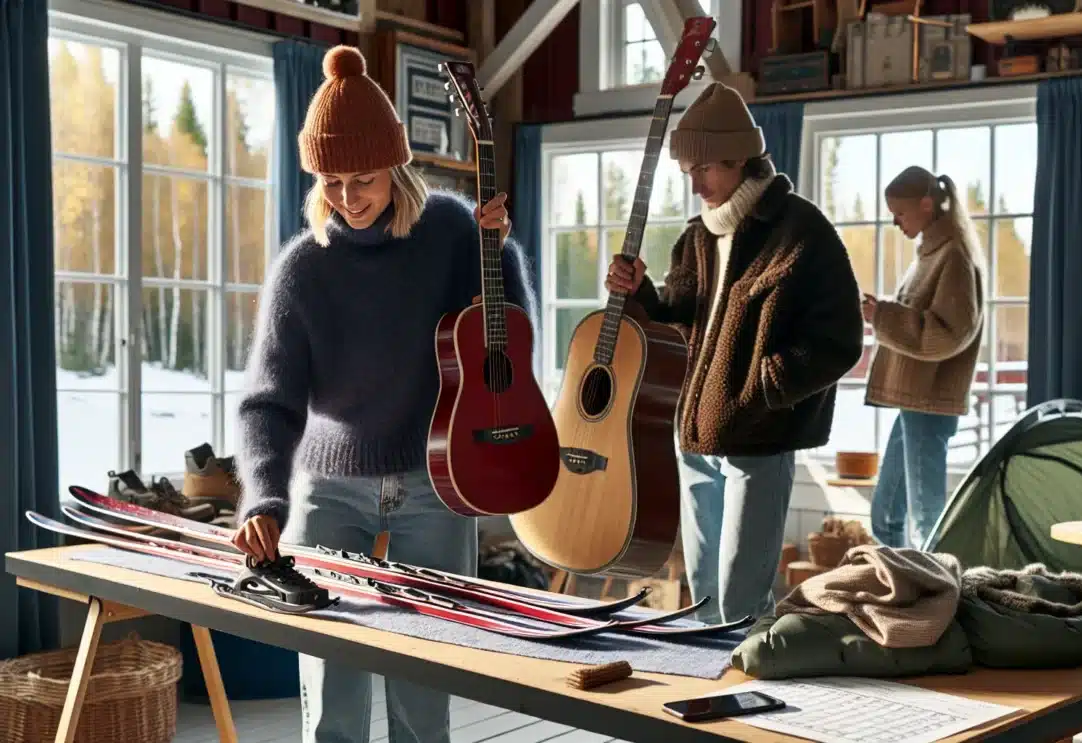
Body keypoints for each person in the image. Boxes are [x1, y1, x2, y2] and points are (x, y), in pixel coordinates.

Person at [229, 46, 536, 743]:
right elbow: (267, 403)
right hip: (329, 488)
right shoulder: (302, 269)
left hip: (435, 481)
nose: (347, 196)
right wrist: (263, 496)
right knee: (333, 701)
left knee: (424, 695)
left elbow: (506, 349)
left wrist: (501, 257)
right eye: (331, 181)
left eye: (362, 177)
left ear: (396, 167)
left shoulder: (456, 232)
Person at [605, 82, 863, 625]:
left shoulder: (802, 231)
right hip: (694, 438)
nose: (694, 183)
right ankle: (705, 688)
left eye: (705, 169)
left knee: (741, 600)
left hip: (757, 440)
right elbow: (679, 313)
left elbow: (840, 340)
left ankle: (749, 701)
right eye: (688, 171)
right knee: (702, 598)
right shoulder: (698, 236)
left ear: (741, 158)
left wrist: (763, 388)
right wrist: (640, 293)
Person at [862, 165, 986, 550]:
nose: (895, 223)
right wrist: (880, 312)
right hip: (913, 402)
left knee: (927, 524)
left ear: (927, 204)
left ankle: (937, 603)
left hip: (929, 406)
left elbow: (950, 334)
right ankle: (901, 598)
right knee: (885, 517)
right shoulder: (929, 255)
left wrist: (882, 316)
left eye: (900, 213)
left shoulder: (954, 258)